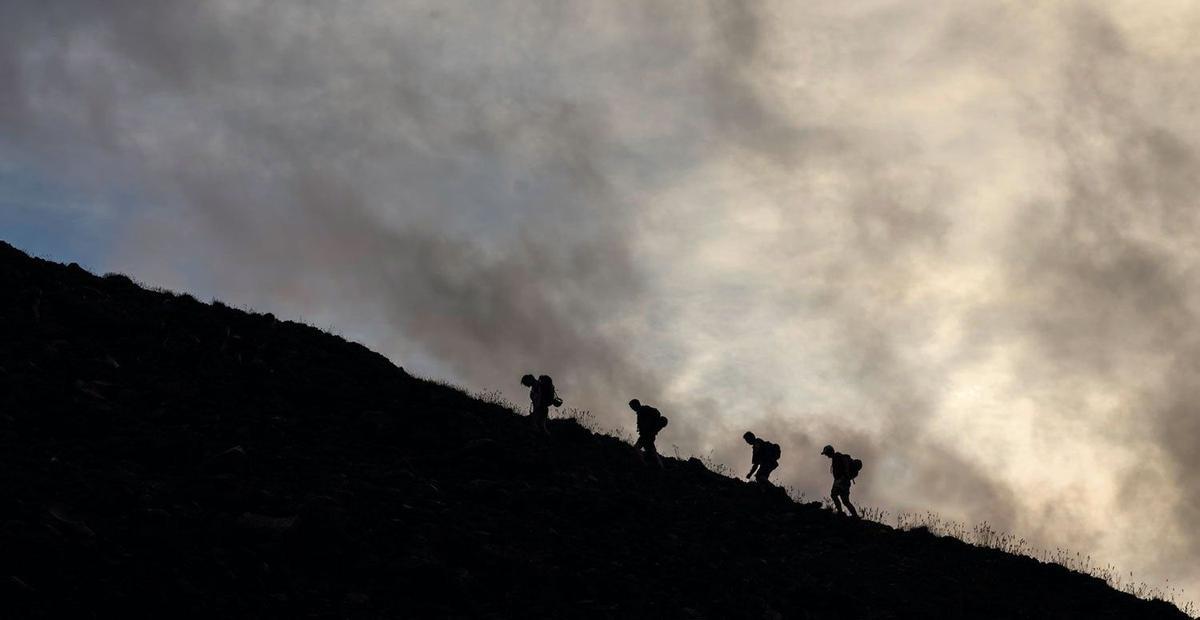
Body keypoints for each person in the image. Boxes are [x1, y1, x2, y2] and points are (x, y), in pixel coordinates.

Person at [821, 444, 859, 518]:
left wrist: (841, 478)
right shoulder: (838, 457)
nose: (826, 455)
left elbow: (839, 471)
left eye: (826, 453)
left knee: (833, 494)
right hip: (846, 481)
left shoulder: (836, 456)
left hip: (840, 480)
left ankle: (840, 513)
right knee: (846, 501)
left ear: (829, 452)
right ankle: (855, 516)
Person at [628, 399, 668, 468]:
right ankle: (659, 466)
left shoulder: (644, 409)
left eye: (632, 406)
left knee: (636, 449)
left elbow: (657, 413)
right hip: (647, 435)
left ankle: (645, 465)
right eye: (631, 407)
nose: (632, 409)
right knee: (651, 451)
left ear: (636, 404)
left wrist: (649, 427)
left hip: (647, 435)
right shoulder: (641, 412)